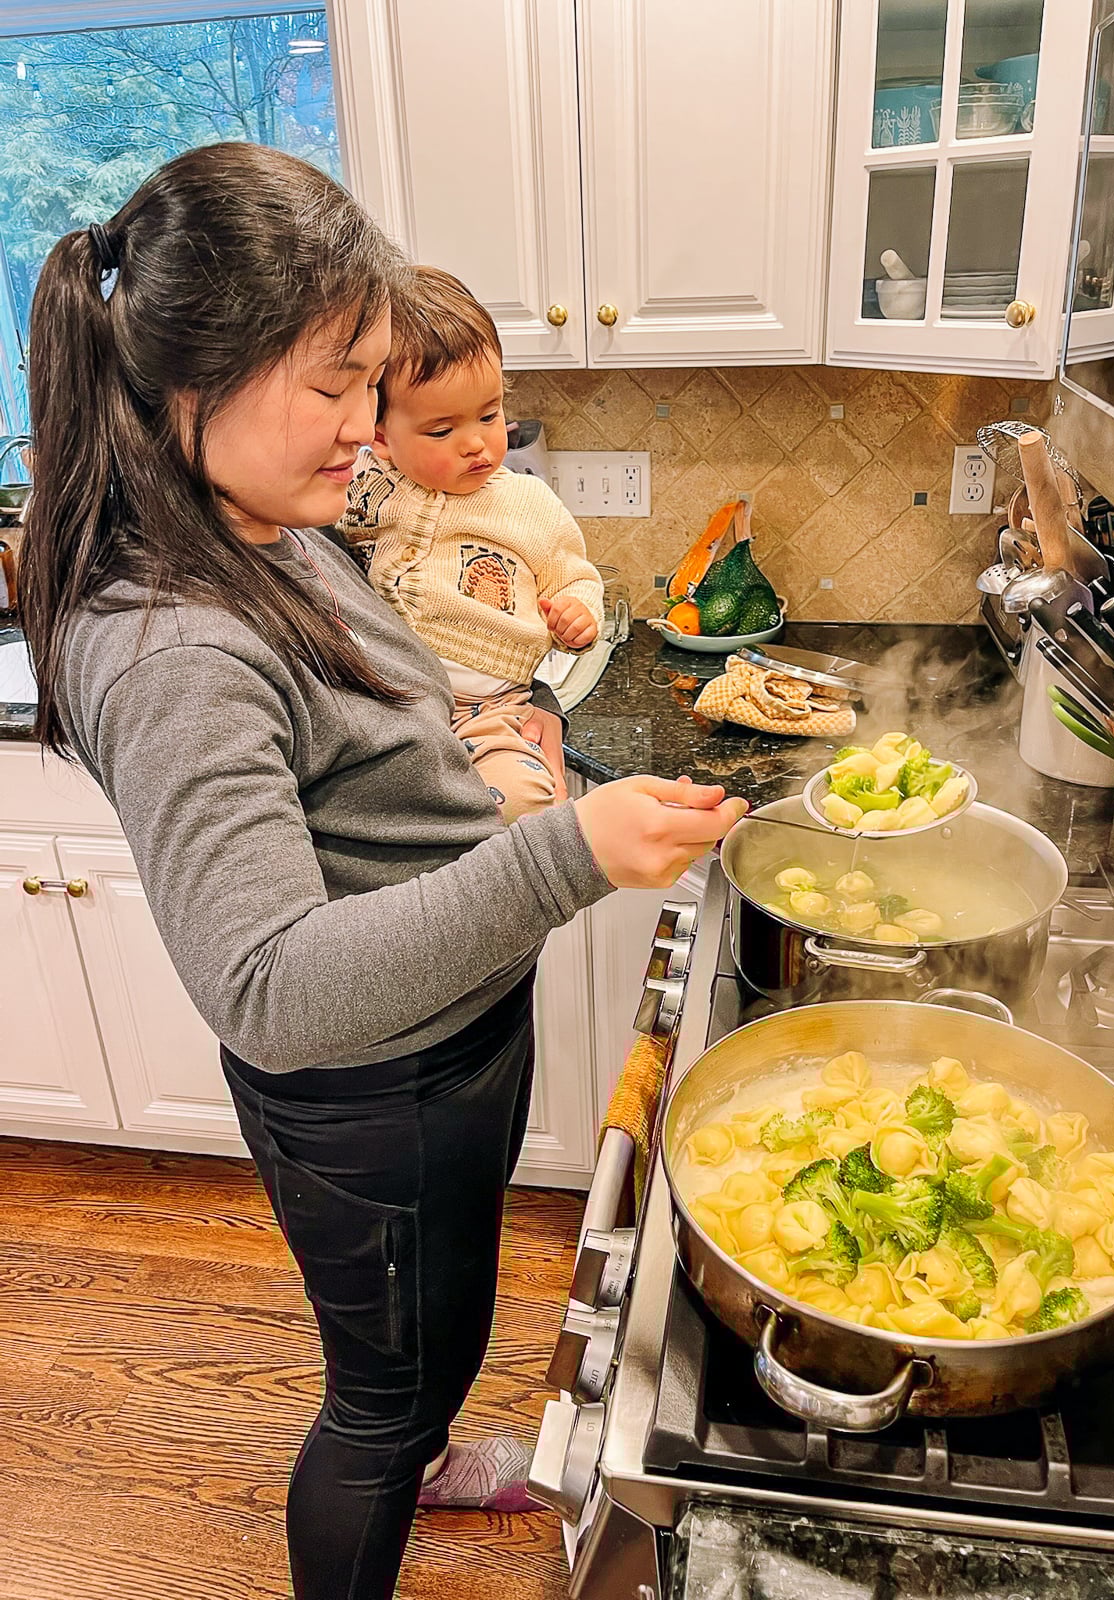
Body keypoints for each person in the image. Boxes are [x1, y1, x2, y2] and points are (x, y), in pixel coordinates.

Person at [18, 142, 746, 1600]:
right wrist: (563, 853)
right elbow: (272, 988)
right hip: (370, 1088)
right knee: (376, 1398)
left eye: (373, 383)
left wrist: (486, 736)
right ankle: (399, 1462)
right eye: (335, 382)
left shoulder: (258, 525)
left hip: (441, 1042)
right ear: (190, 380)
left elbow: (380, 712)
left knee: (434, 1337)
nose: (369, 426)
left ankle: (425, 1444)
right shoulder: (167, 639)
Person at [339, 264, 601, 822]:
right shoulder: (359, 487)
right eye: (441, 431)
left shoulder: (527, 504)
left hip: (493, 709)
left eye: (491, 415)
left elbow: (574, 575)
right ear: (380, 436)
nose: (477, 444)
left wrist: (578, 616)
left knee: (525, 803)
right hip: (387, 708)